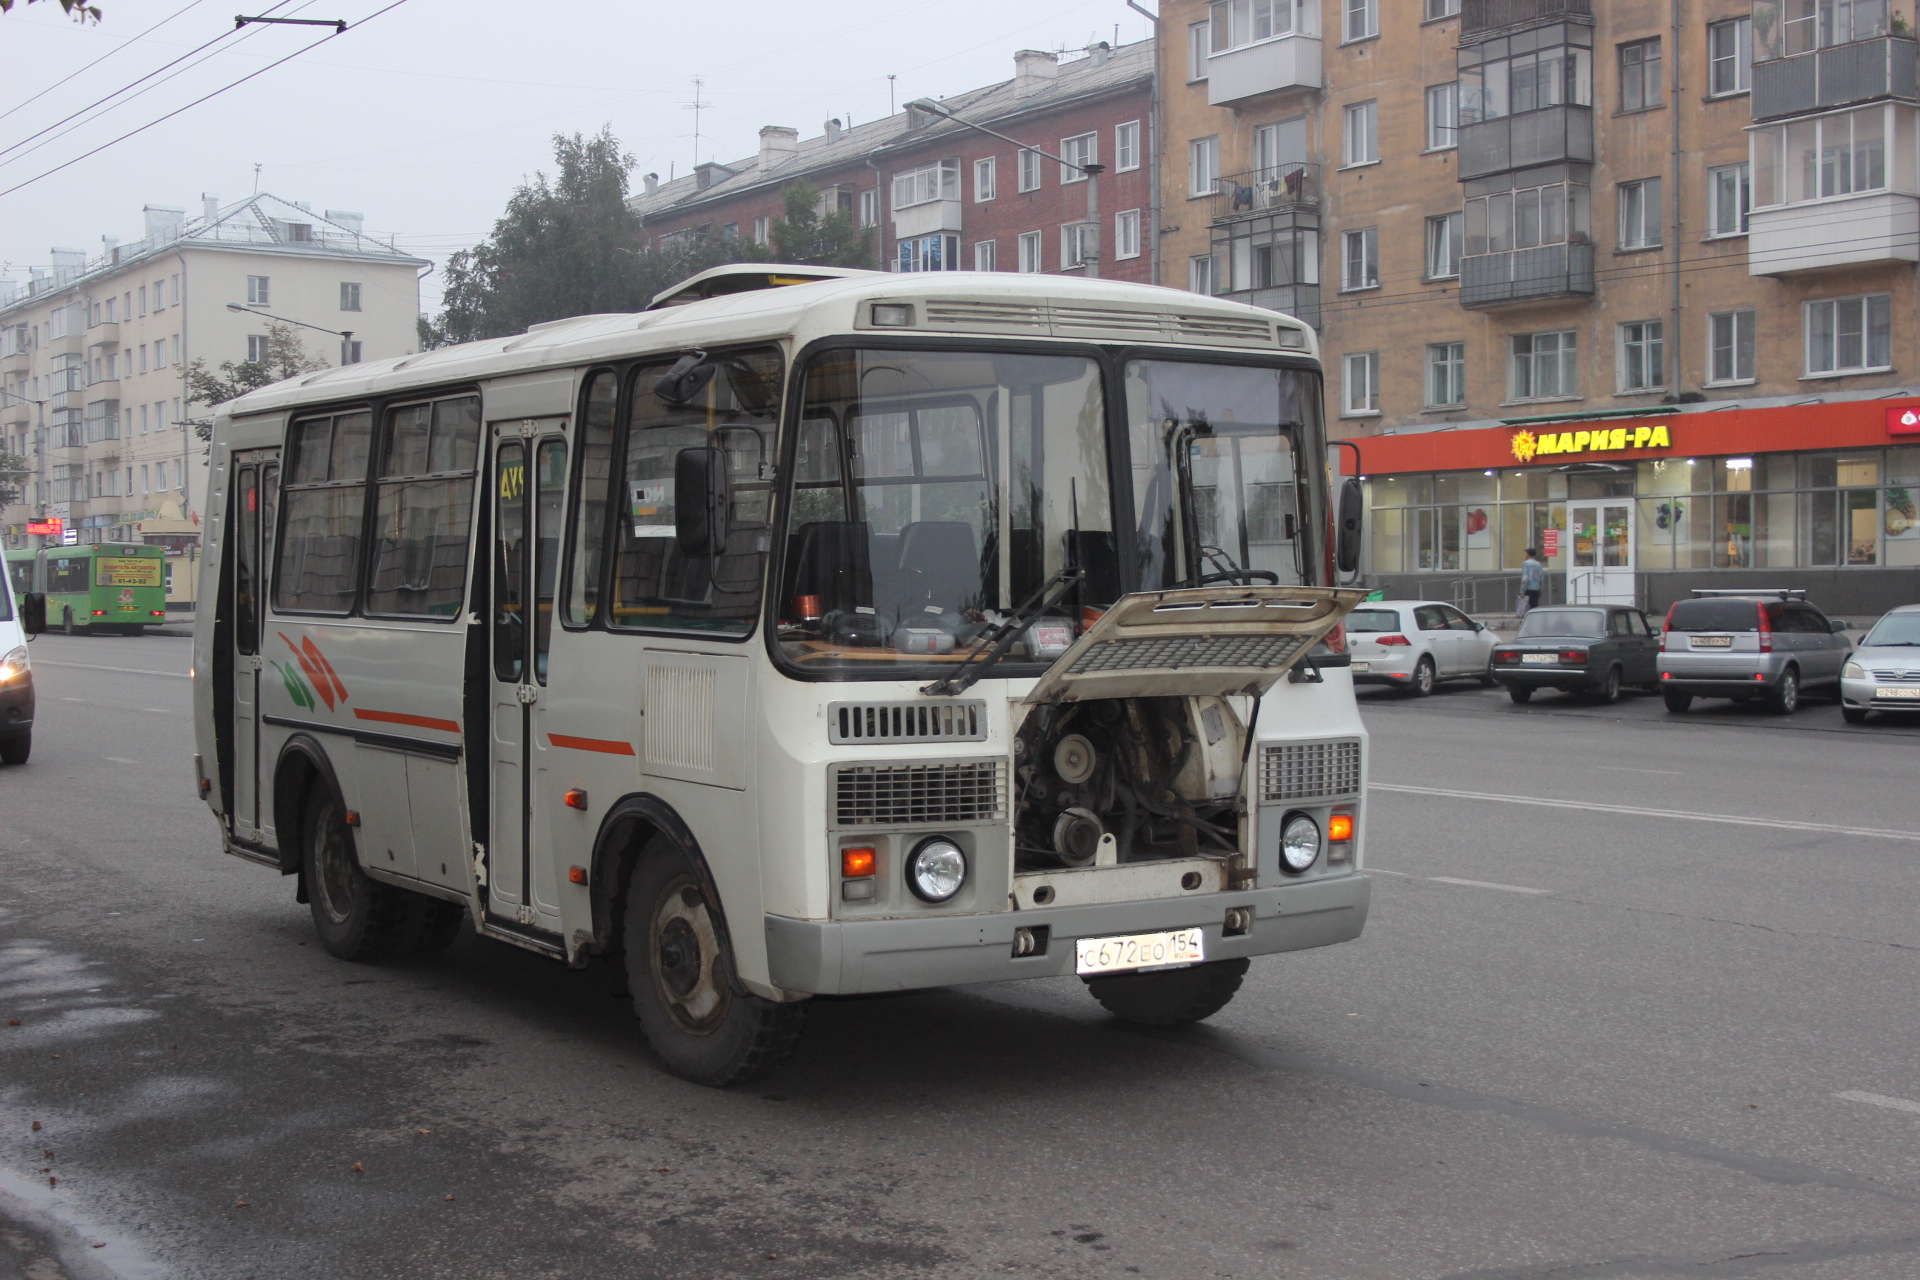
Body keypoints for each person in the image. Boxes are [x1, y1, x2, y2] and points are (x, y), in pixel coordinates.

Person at [1519, 548, 1545, 617]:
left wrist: (1522, 591)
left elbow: (1525, 578)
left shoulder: (1526, 563)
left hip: (1528, 588)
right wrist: (1540, 589)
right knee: (1534, 607)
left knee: (1527, 607)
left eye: (1526, 553)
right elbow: (1541, 578)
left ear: (1528, 554)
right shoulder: (1538, 564)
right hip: (1536, 588)